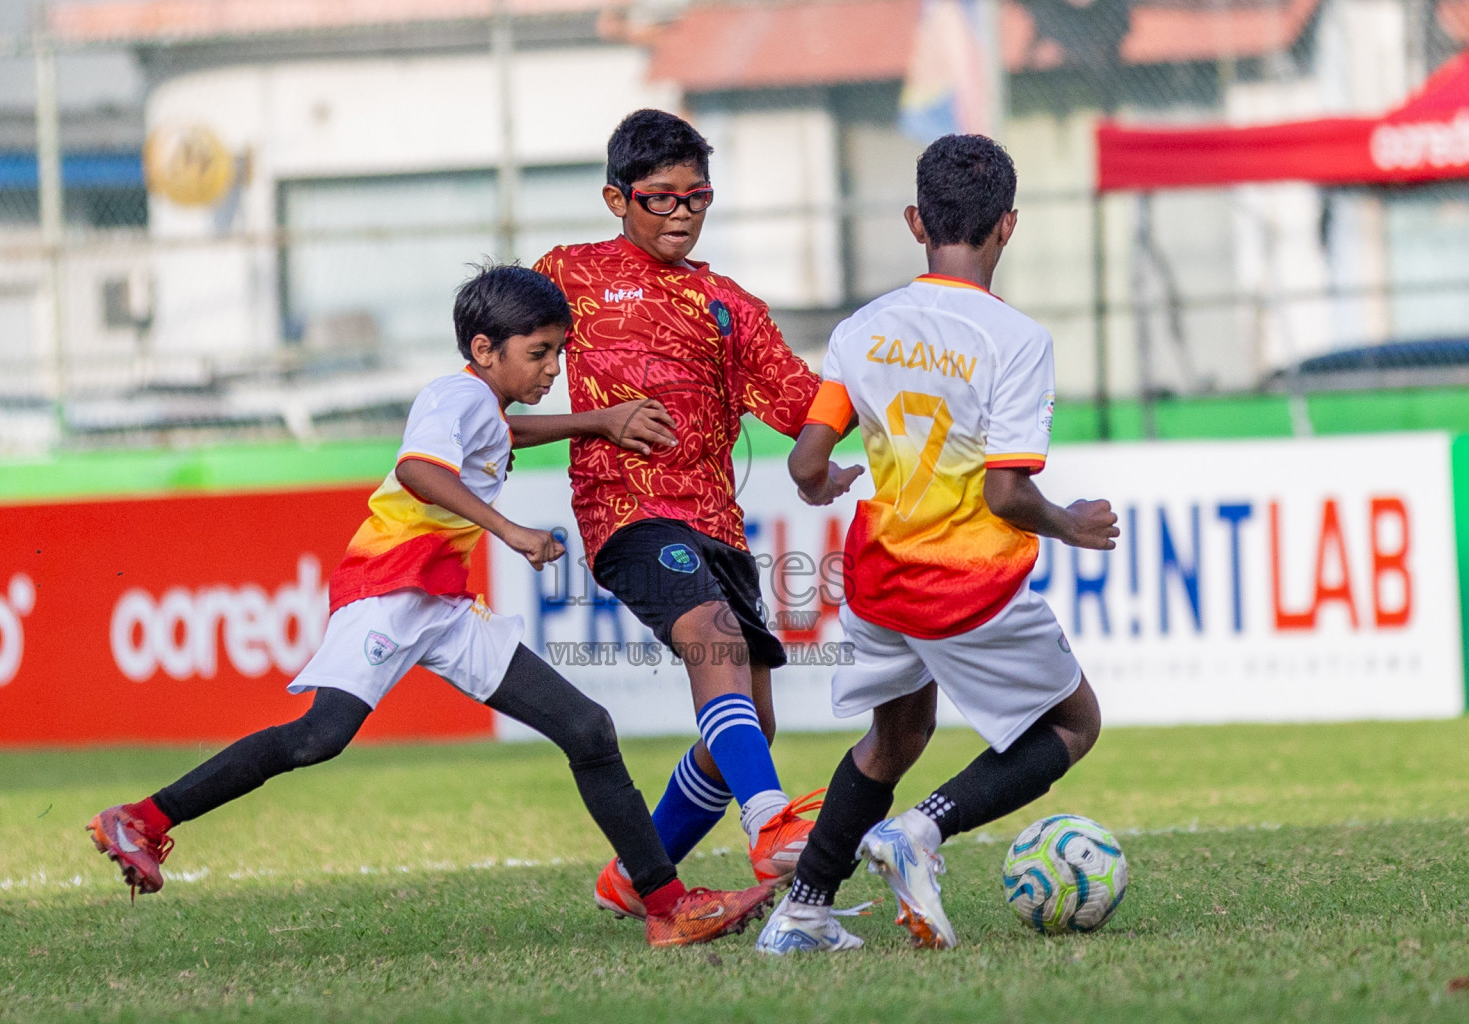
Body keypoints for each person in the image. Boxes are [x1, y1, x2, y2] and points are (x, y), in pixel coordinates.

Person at [86, 264, 776, 948]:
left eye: (557, 352)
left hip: (441, 605)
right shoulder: (454, 395)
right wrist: (509, 531)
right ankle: (143, 819)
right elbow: (418, 469)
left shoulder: (481, 405)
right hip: (388, 590)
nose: (550, 369)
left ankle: (665, 905)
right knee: (318, 736)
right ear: (484, 350)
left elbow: (506, 434)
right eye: (538, 353)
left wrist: (596, 421)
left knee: (587, 729)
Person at [755, 134, 1119, 954]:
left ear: (916, 221)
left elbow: (807, 459)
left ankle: (802, 913)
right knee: (1072, 723)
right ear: (1009, 226)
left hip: (879, 580)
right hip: (966, 586)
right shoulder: (1014, 340)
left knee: (894, 740)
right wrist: (1074, 525)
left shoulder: (862, 328)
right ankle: (919, 832)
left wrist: (820, 483)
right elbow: (1005, 493)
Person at [534, 110, 825, 919]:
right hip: (627, 513)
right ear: (615, 199)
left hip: (716, 525)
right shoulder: (568, 274)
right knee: (710, 635)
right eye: (659, 198)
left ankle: (634, 877)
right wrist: (594, 420)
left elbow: (805, 400)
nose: (680, 213)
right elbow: (495, 370)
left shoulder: (729, 303)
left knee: (751, 723)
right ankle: (767, 824)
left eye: (695, 196)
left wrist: (826, 449)